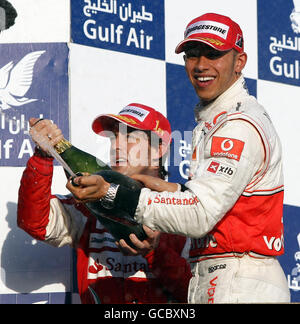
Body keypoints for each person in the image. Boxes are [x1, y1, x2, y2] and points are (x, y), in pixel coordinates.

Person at [76, 13, 290, 303]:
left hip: (239, 280)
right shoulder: (217, 121)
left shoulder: (238, 125)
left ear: (239, 62)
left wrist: (114, 194)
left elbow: (199, 214)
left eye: (213, 54)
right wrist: (177, 191)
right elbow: (222, 202)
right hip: (224, 275)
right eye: (192, 54)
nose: (201, 65)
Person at [17, 103, 191, 304]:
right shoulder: (90, 202)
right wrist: (44, 155)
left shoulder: (186, 207)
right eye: (113, 137)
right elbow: (34, 223)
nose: (117, 145)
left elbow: (196, 294)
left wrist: (155, 253)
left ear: (159, 149)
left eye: (131, 137)